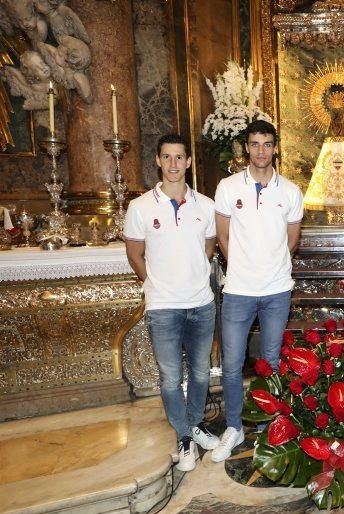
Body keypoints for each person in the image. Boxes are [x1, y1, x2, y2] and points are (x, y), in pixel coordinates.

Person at [124, 133, 220, 472]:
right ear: (158, 161)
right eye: (167, 157)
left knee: (198, 372)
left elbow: (209, 249)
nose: (174, 164)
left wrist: (192, 275)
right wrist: (153, 283)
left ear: (188, 162)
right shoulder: (140, 207)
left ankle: (194, 424)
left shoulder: (206, 206)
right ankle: (183, 436)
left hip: (200, 303)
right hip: (163, 306)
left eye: (180, 157)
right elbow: (134, 254)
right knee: (169, 378)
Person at [212, 119, 304, 462]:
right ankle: (234, 427)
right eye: (254, 144)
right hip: (238, 289)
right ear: (246, 148)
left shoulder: (291, 192)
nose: (261, 151)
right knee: (233, 364)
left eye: (267, 144)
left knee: (271, 362)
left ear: (275, 148)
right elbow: (223, 235)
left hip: (277, 290)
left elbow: (291, 240)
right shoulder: (227, 187)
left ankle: (271, 421)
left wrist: (272, 266)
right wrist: (243, 266)